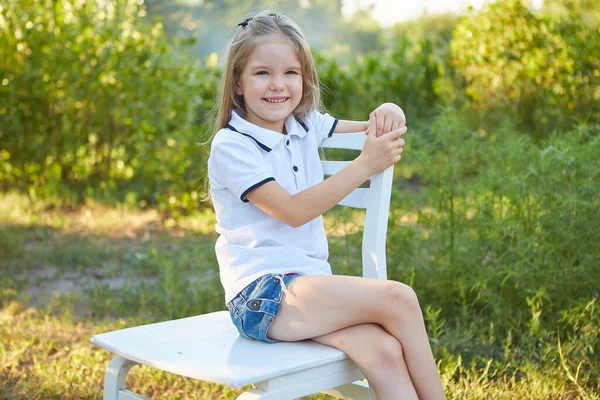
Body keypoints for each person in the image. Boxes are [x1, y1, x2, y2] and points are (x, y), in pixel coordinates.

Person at [207, 10, 446, 400]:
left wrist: (390, 111)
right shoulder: (232, 145)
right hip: (261, 297)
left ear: (304, 79)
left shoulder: (304, 125)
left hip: (304, 290)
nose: (278, 85)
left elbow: (374, 129)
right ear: (237, 82)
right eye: (262, 73)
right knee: (399, 298)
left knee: (383, 350)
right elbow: (293, 211)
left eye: (291, 73)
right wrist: (365, 164)